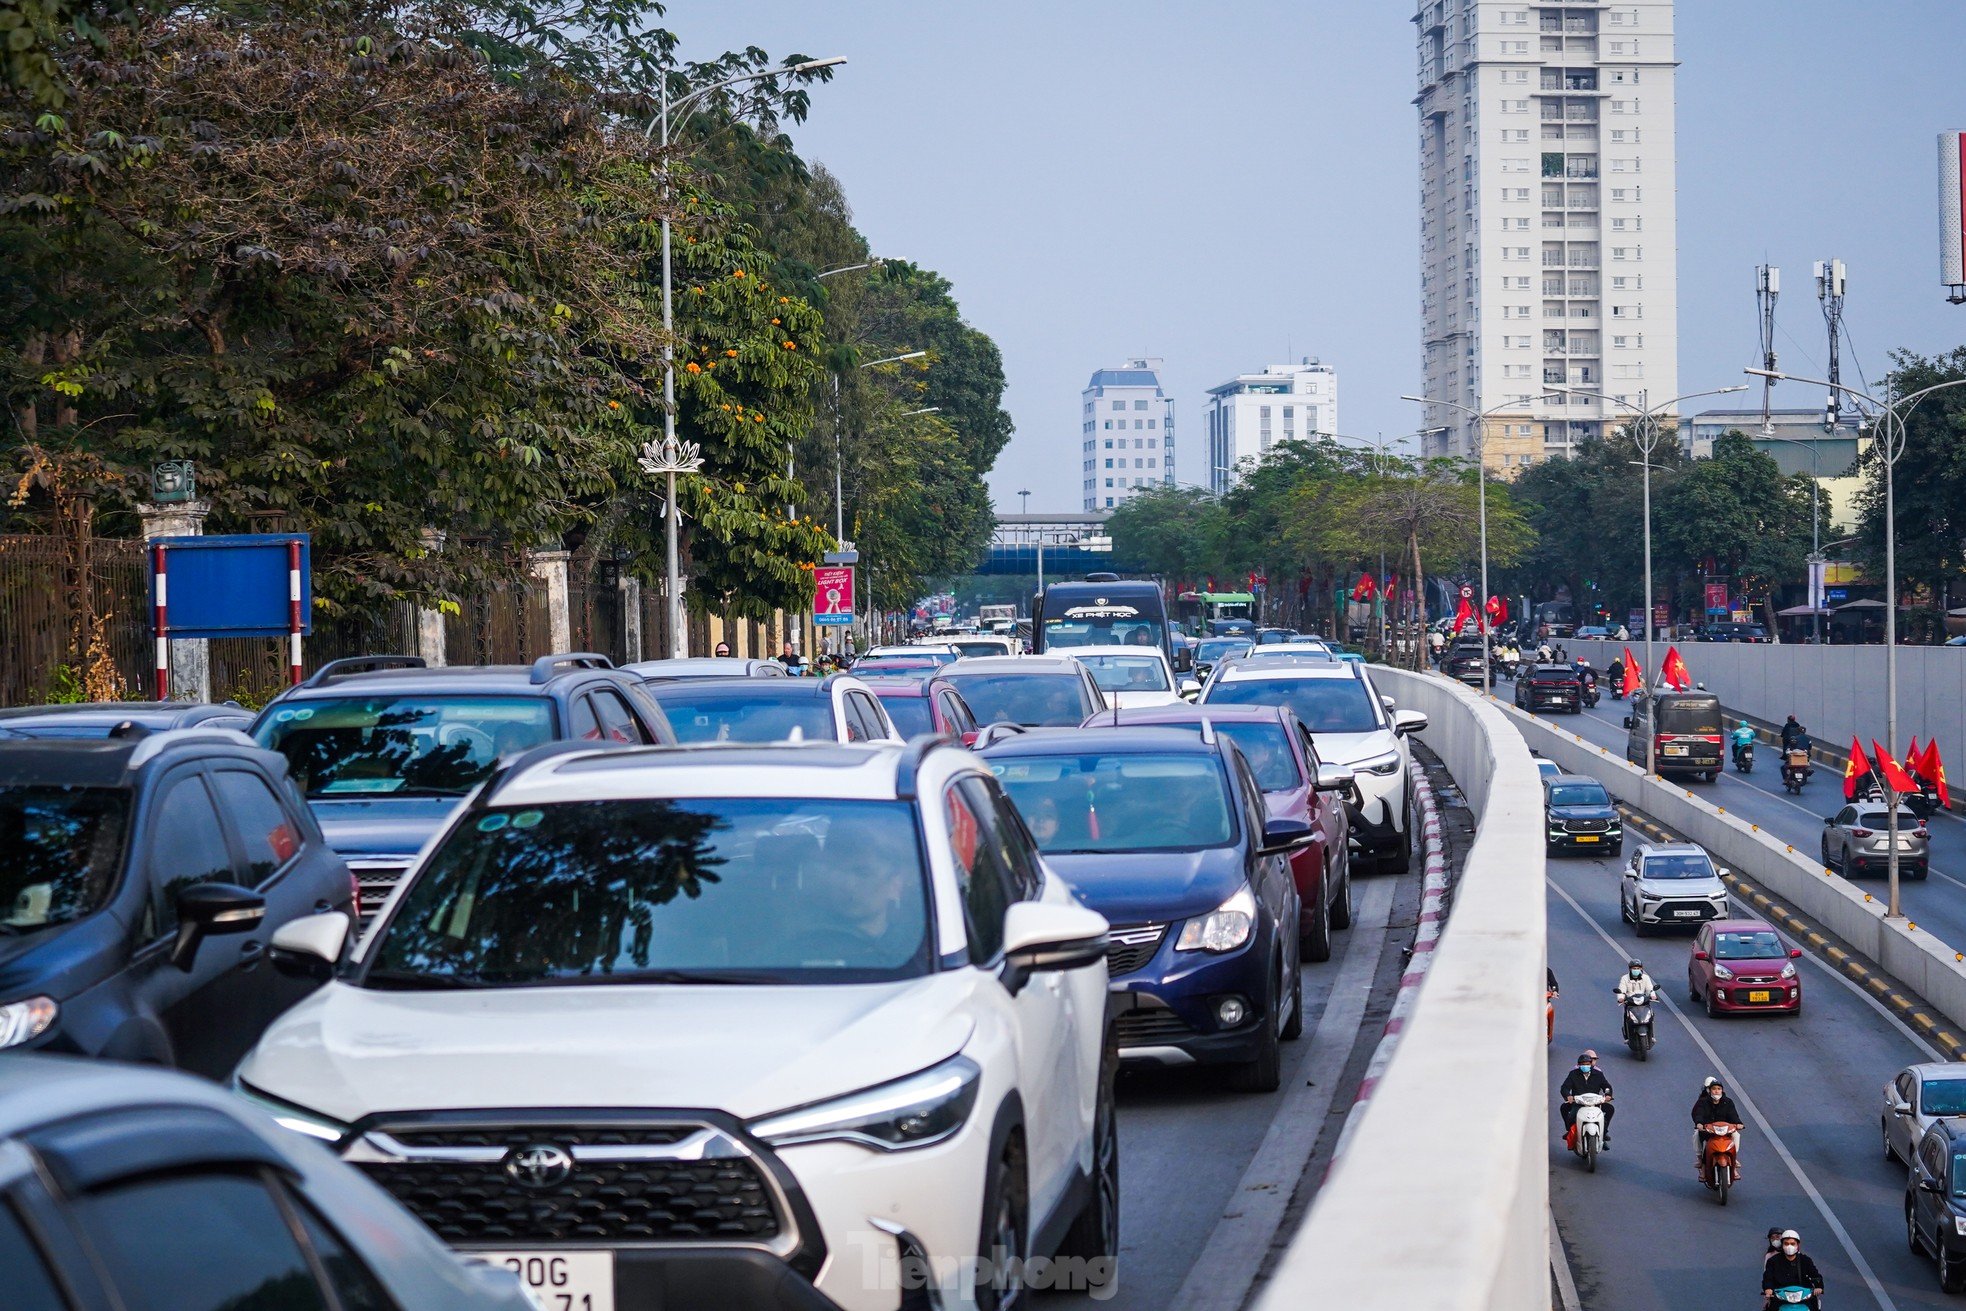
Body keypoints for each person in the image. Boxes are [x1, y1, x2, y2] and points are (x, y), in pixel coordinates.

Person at [1691, 1076, 1744, 1181]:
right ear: (1709, 1090)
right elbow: (1698, 1114)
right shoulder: (1703, 1102)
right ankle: (1701, 1162)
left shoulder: (1727, 1102)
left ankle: (1734, 1160)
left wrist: (1738, 1124)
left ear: (1722, 1090)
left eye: (1718, 1089)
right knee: (1697, 1135)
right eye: (1714, 1089)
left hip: (1725, 1130)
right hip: (1708, 1130)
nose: (1716, 1091)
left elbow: (1733, 1115)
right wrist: (1700, 1124)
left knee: (1736, 1135)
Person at [1559, 1050, 1614, 1147]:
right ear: (1579, 1065)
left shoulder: (1598, 1074)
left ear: (1591, 1064)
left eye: (1587, 1064)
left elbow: (1607, 1086)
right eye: (1583, 1064)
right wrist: (1568, 1096)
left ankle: (1603, 1132)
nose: (1585, 1066)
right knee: (1566, 1111)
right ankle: (1570, 1131)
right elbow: (1565, 1087)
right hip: (1578, 1103)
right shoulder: (1573, 1074)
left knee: (1610, 1109)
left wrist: (1608, 1095)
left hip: (1595, 1103)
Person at [1762, 1230, 1824, 1310]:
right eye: (1786, 1244)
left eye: (1792, 1244)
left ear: (1797, 1245)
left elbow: (1815, 1275)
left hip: (1803, 1297)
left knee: (1814, 1306)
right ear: (1782, 1245)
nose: (1789, 1246)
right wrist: (1768, 1289)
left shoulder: (1805, 1260)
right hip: (1780, 1297)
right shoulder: (1773, 1261)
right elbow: (1768, 1278)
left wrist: (1818, 1287)